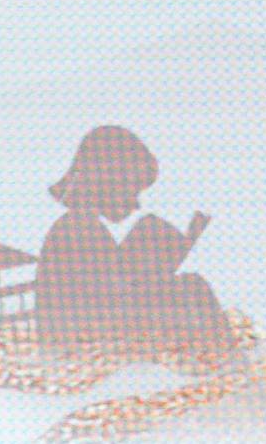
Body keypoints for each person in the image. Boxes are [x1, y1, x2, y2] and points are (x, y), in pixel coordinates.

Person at [34, 124, 239, 368]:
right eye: (131, 191)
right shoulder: (76, 230)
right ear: (107, 184)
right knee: (190, 285)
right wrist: (163, 283)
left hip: (100, 326)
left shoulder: (83, 226)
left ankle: (219, 359)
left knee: (178, 271)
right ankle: (225, 362)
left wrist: (171, 260)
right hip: (81, 341)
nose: (136, 203)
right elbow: (112, 301)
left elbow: (122, 286)